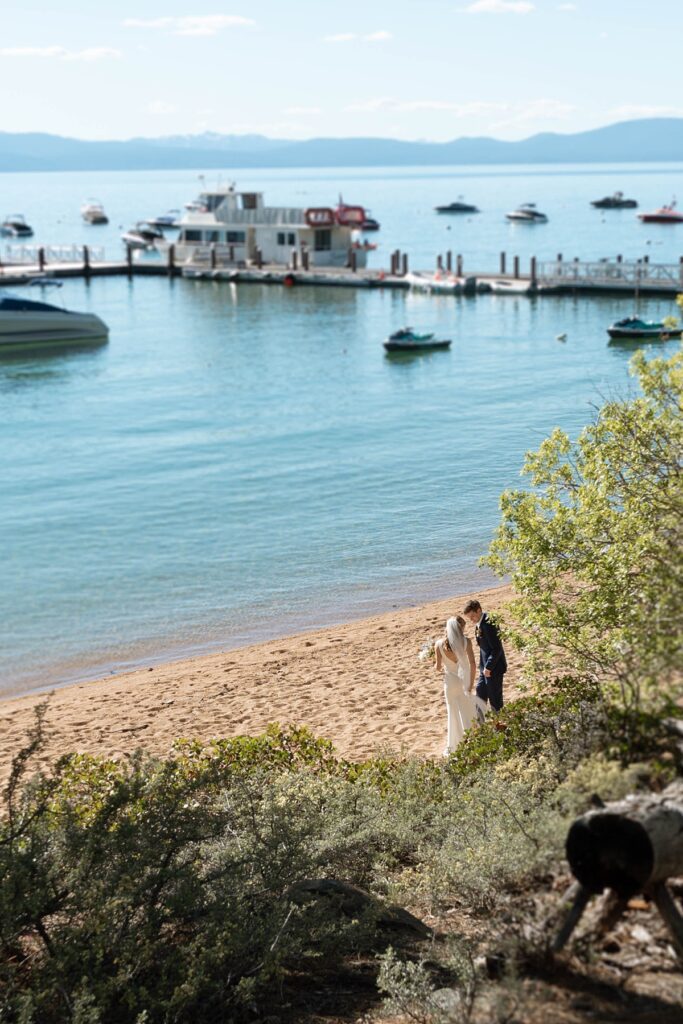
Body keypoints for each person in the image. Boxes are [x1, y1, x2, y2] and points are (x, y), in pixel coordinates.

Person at [435, 616, 487, 755]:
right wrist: (470, 683)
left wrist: (437, 661)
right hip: (463, 681)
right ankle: (471, 740)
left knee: (452, 712)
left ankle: (455, 744)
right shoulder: (466, 642)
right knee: (467, 710)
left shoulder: (438, 644)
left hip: (450, 683)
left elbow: (438, 668)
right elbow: (473, 664)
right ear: (460, 628)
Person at [463, 599, 507, 712]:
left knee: (495, 699)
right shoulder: (479, 623)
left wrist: (488, 667)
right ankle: (480, 722)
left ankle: (499, 722)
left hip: (493, 668)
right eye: (469, 618)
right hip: (484, 668)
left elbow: (497, 648)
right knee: (480, 693)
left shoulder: (488, 624)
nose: (471, 620)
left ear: (479, 610)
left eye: (472, 616)